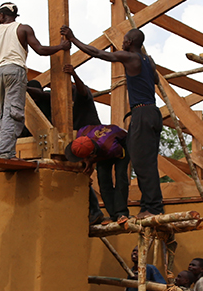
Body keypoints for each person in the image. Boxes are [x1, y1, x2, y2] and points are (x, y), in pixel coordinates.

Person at [61, 25, 163, 218]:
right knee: (146, 161)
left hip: (142, 112)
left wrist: (73, 39)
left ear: (130, 42)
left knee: (142, 164)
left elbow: (97, 53)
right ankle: (148, 206)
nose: (122, 43)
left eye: (124, 40)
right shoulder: (147, 61)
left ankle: (153, 208)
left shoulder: (131, 57)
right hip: (151, 113)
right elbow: (156, 79)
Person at [0, 2, 69, 158]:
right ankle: (5, 153)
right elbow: (41, 50)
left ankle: (5, 147)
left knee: (6, 112)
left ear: (2, 15)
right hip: (15, 70)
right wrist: (60, 47)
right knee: (14, 113)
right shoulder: (23, 29)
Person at [70, 125, 129, 224]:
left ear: (92, 154)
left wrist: (92, 161)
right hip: (100, 148)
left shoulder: (110, 148)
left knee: (120, 177)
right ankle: (113, 215)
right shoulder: (81, 133)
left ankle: (121, 213)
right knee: (103, 180)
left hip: (122, 147)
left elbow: (119, 154)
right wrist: (87, 160)